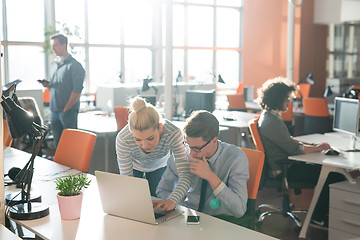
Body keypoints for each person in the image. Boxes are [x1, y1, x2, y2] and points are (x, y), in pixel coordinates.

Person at [257, 76, 344, 228]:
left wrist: (313, 145)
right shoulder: (271, 122)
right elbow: (294, 149)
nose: (289, 101)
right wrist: (318, 148)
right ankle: (317, 216)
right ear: (278, 99)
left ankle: (321, 213)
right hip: (285, 168)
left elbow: (289, 140)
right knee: (332, 175)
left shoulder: (270, 116)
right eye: (287, 98)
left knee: (327, 171)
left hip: (288, 163)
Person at [156, 110, 249, 221]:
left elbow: (239, 210)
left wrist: (210, 176)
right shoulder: (182, 155)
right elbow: (162, 190)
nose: (191, 153)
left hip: (220, 221)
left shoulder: (236, 158)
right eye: (188, 145)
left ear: (214, 141)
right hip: (186, 216)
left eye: (196, 148)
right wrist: (176, 203)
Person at [116, 97, 191, 211]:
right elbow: (127, 180)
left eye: (150, 138)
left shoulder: (173, 133)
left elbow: (185, 175)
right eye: (138, 140)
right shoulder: (123, 138)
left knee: (158, 203)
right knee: (135, 205)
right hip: (134, 166)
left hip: (159, 165)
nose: (145, 145)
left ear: (160, 127)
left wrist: (172, 201)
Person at [39, 33, 85, 148]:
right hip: (54, 111)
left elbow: (77, 91)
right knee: (58, 146)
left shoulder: (75, 66)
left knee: (70, 146)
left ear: (64, 45)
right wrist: (48, 85)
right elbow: (55, 87)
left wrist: (66, 109)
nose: (53, 48)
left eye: (55, 45)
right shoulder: (55, 65)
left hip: (67, 112)